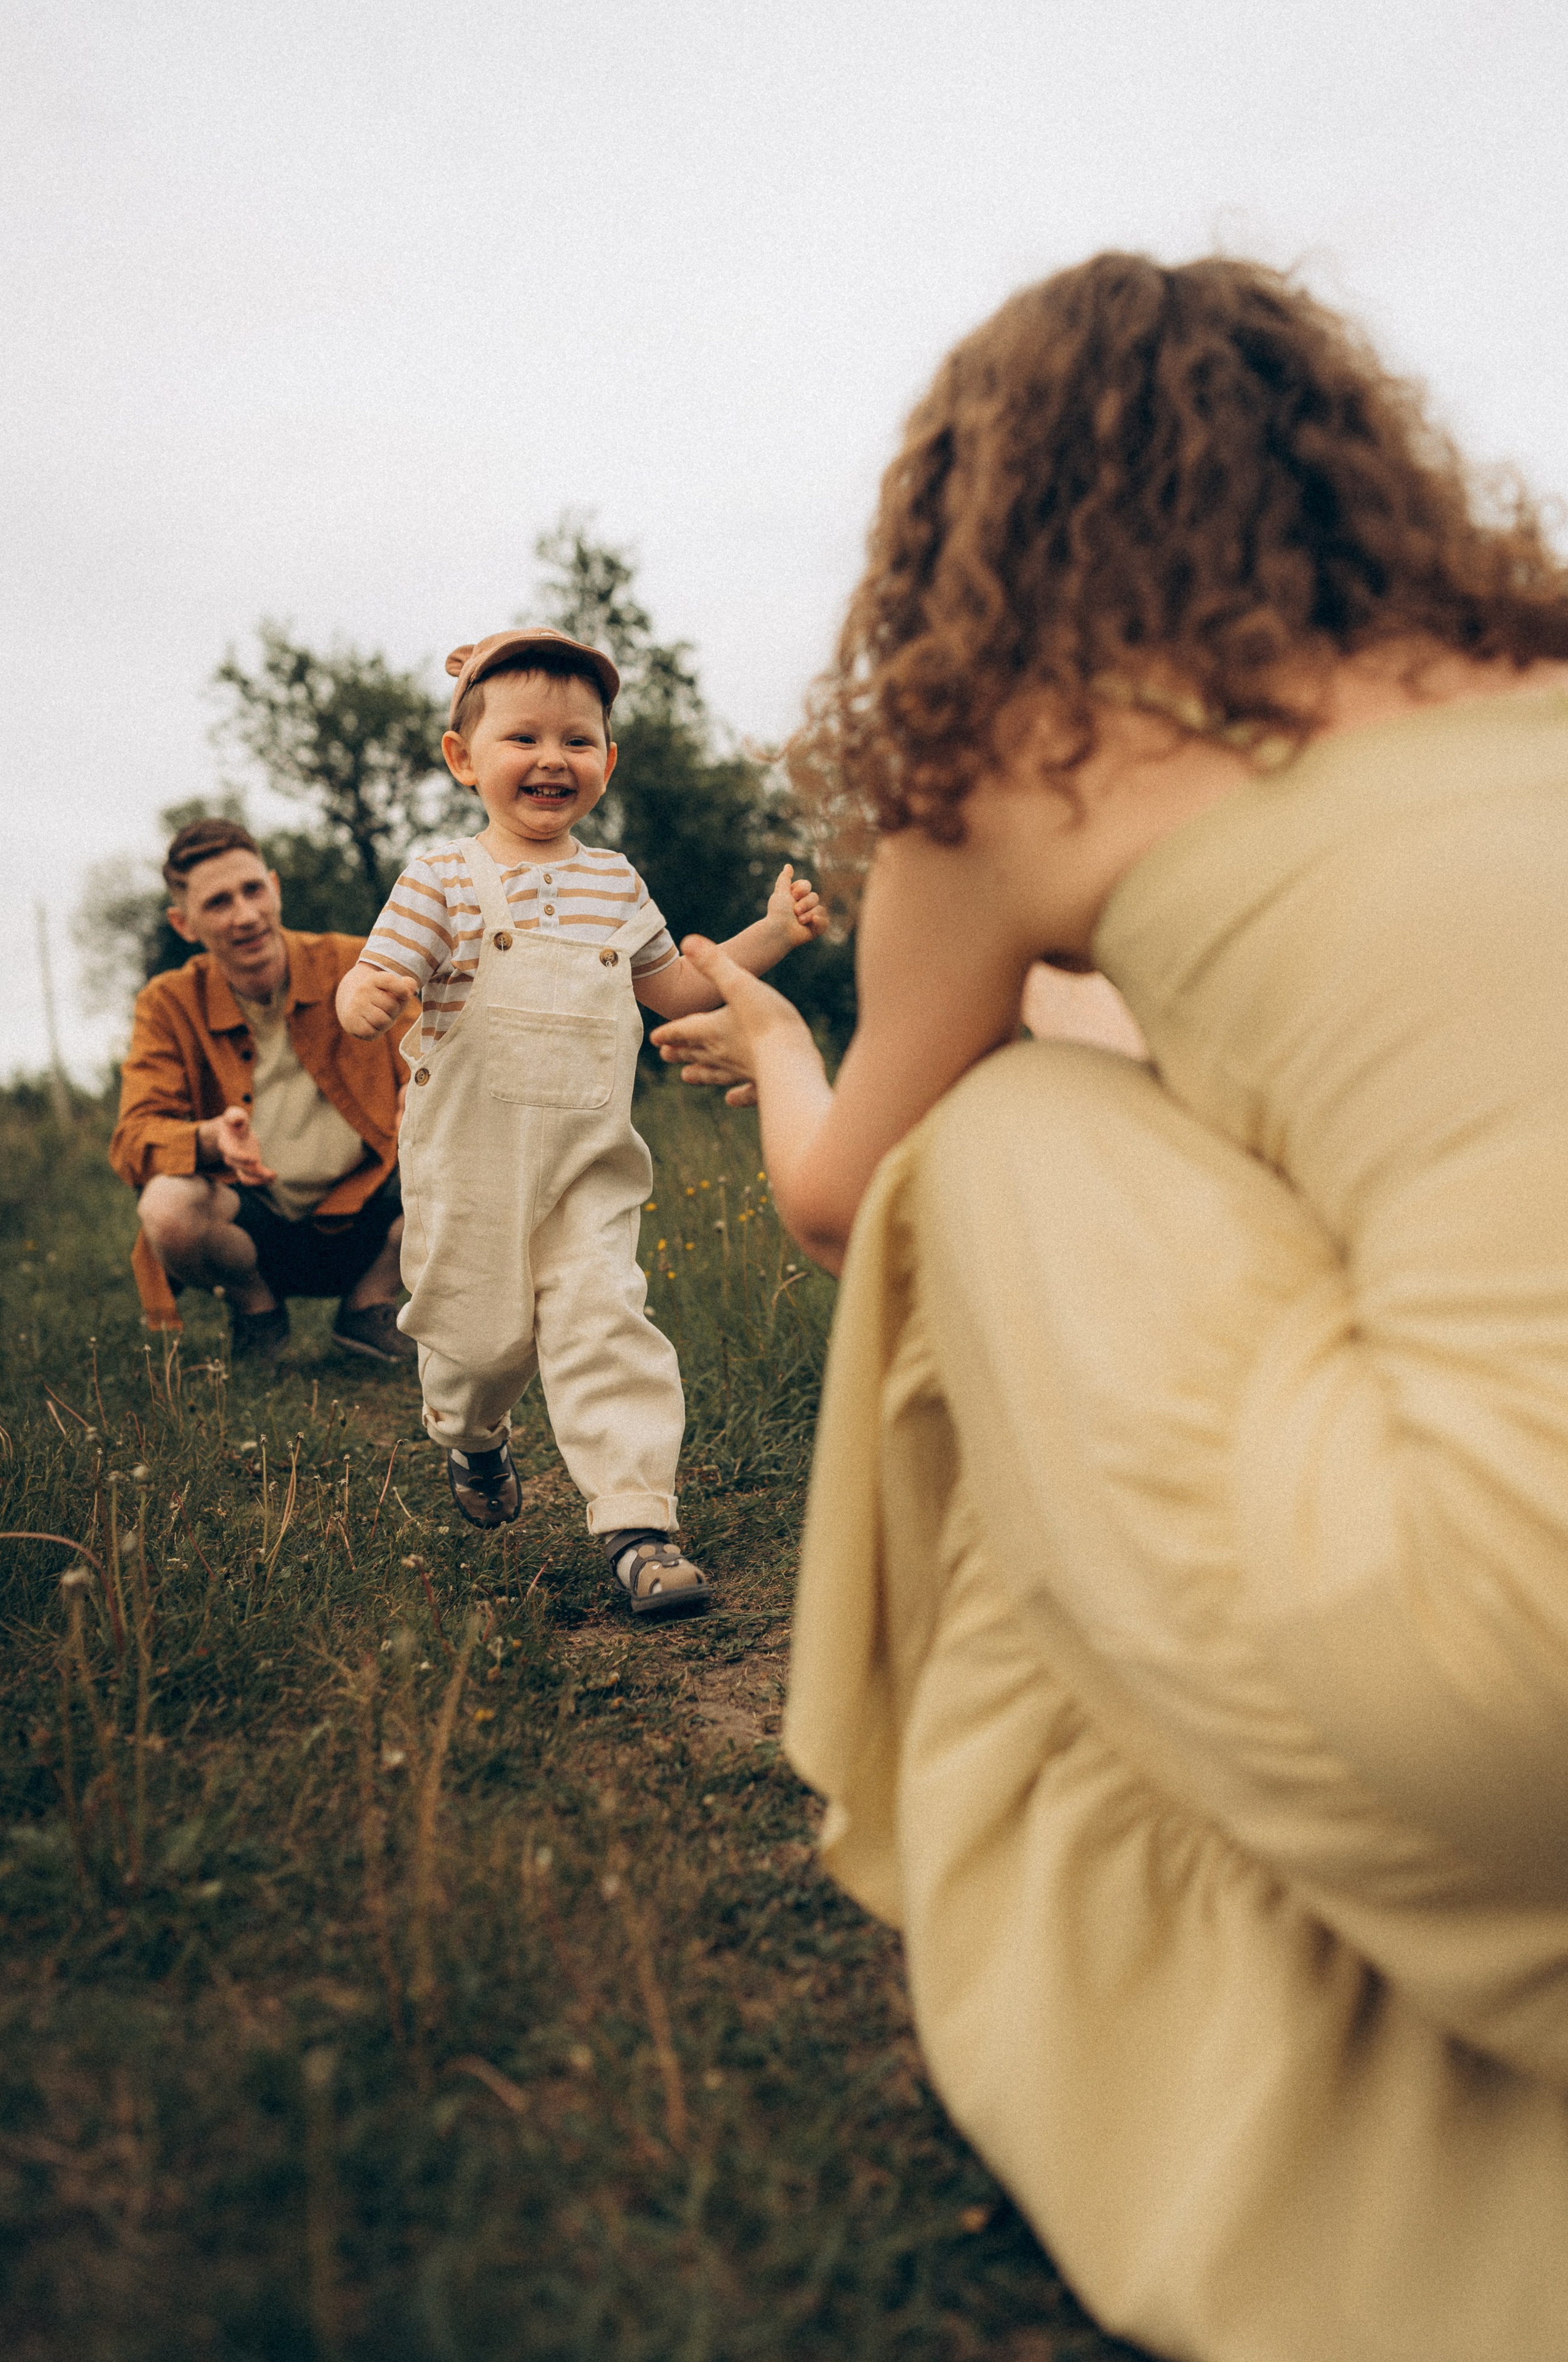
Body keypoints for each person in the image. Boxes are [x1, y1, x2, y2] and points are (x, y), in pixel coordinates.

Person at [651, 256, 1568, 2361]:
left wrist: (786, 1033)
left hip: (1513, 1666)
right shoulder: (1530, 675)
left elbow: (830, 1197)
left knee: (988, 1144)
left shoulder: (1028, 765)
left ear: (979, 521)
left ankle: (1208, 2057)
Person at [336, 626, 826, 1619]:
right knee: (476, 1348)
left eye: (578, 738)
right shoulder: (441, 879)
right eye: (524, 737)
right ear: (462, 756)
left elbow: (678, 988)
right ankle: (474, 1441)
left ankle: (639, 1523)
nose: (552, 758)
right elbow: (373, 977)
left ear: (609, 758)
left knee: (607, 1321)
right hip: (470, 1173)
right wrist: (370, 997)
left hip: (589, 1168)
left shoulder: (616, 884)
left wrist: (771, 932)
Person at [110, 817, 412, 1366]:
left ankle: (369, 1308)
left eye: (252, 890)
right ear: (185, 924)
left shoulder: (358, 963)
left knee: (475, 1154)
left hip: (375, 1210)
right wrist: (210, 1138)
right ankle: (258, 1311)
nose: (245, 915)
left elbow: (436, 1056)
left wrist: (423, 1096)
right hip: (252, 1229)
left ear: (274, 887)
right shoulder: (167, 1003)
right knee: (166, 1205)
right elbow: (133, 1137)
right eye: (219, 903)